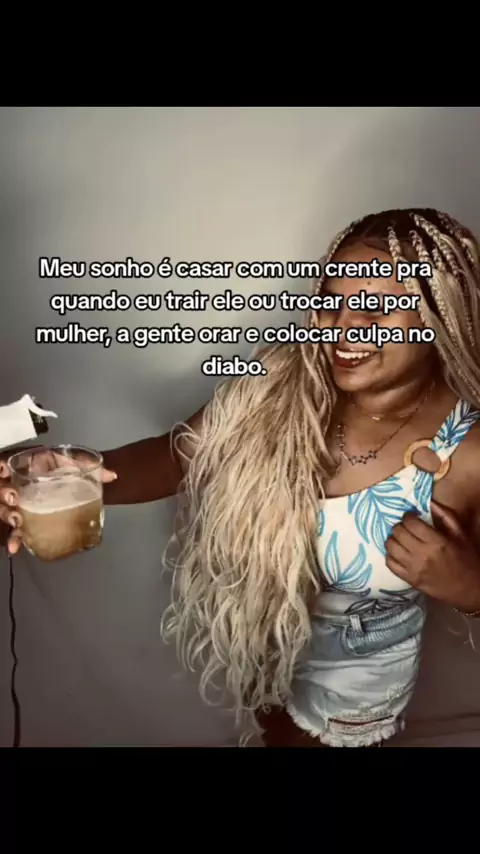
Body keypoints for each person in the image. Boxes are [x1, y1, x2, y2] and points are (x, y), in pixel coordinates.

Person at [2, 207, 480, 748]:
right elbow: (176, 457)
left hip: (350, 710)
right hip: (265, 671)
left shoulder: (465, 452)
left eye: (377, 308)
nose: (345, 326)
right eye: (332, 301)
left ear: (439, 314)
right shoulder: (277, 381)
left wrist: (470, 587)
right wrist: (72, 477)